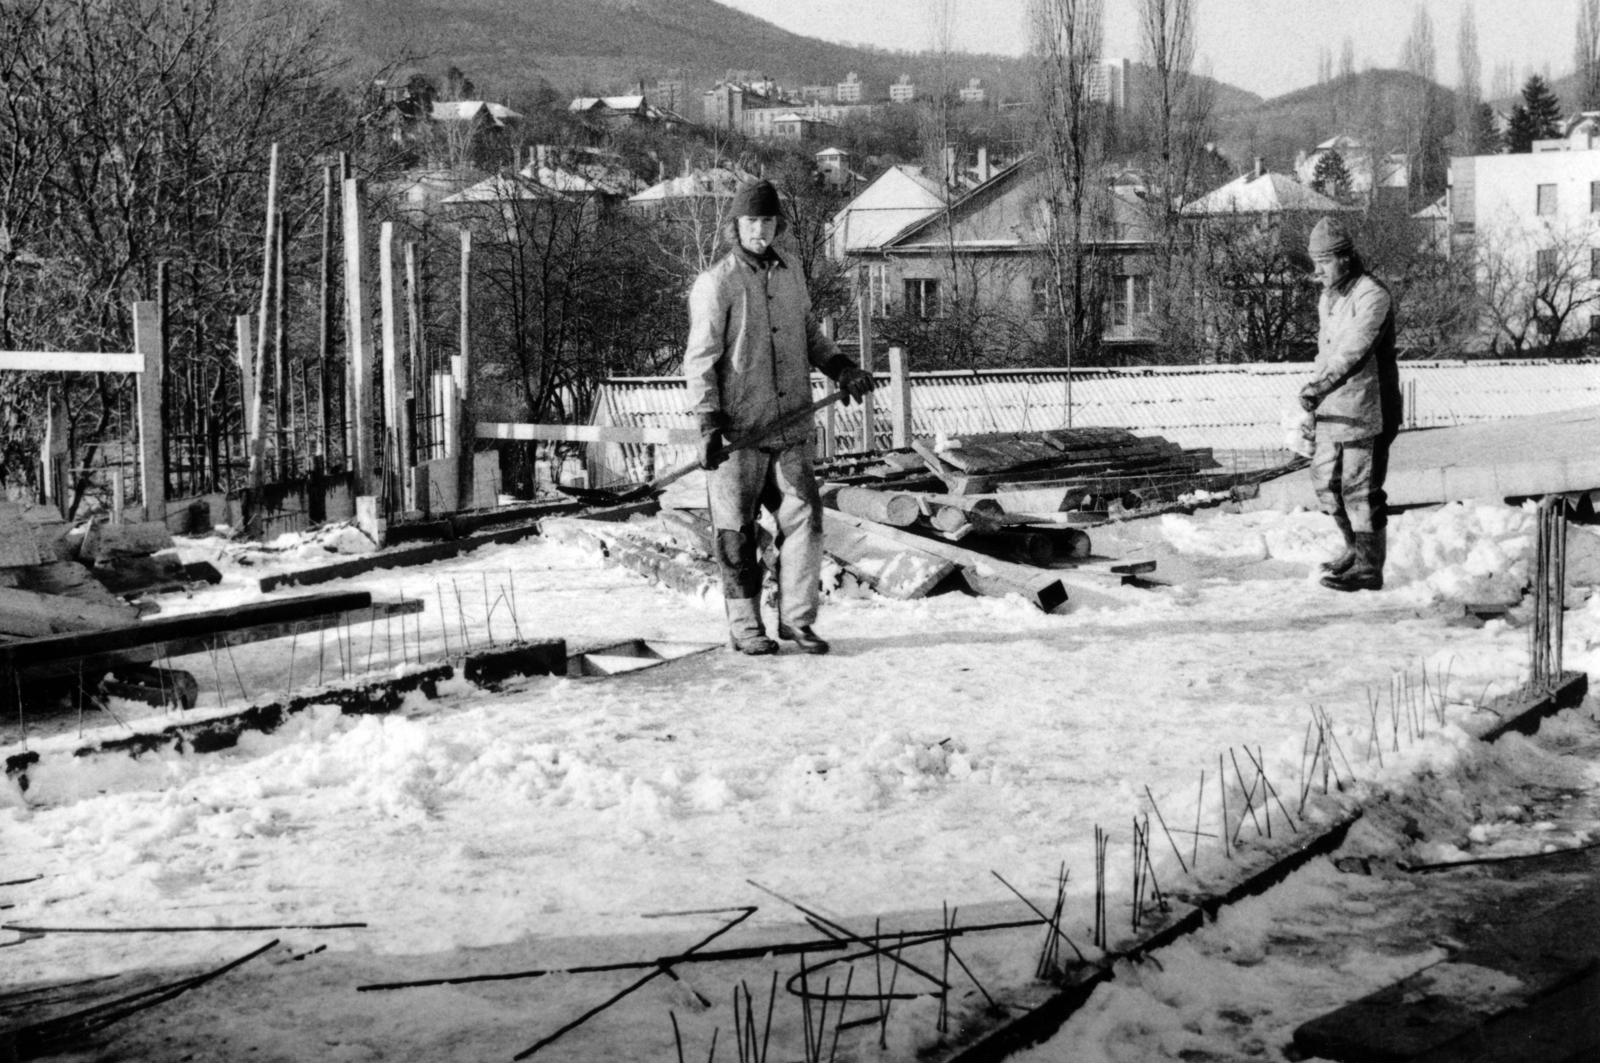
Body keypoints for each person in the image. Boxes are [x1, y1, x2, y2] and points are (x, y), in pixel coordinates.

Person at [683, 180, 876, 655]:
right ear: (735, 226)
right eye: (751, 221)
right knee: (736, 533)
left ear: (778, 226)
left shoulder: (790, 276)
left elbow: (809, 334)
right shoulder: (717, 283)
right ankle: (746, 627)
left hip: (790, 427)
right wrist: (707, 422)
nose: (760, 230)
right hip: (739, 435)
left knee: (805, 522)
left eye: (768, 221)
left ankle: (797, 621)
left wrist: (842, 368)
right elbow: (699, 359)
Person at [1299, 216, 1401, 592]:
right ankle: (1353, 549)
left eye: (1323, 262)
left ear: (1344, 258)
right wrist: (1312, 398)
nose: (1317, 271)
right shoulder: (1330, 297)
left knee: (1360, 490)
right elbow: (1326, 354)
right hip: (1332, 406)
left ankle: (1369, 568)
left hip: (1369, 407)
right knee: (1327, 485)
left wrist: (1320, 386)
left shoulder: (1373, 295)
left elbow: (1355, 352)